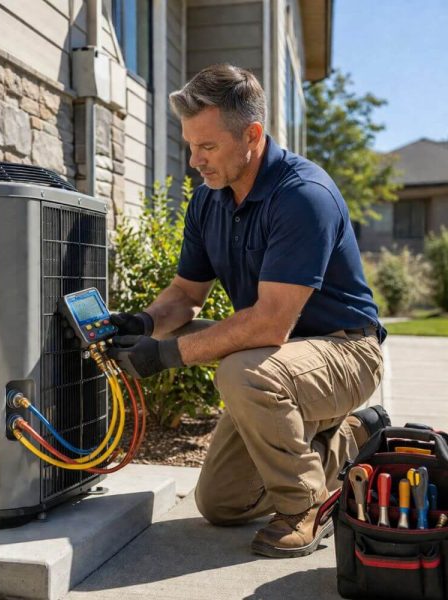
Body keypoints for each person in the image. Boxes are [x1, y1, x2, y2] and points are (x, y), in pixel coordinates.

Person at [106, 64, 388, 559]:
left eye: (207, 147)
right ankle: (354, 433)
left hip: (347, 350)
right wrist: (146, 323)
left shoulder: (303, 195)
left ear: (252, 135)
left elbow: (270, 323)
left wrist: (165, 356)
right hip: (278, 358)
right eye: (190, 145)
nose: (195, 160)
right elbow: (185, 295)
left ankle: (306, 506)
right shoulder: (208, 201)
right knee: (222, 504)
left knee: (243, 372)